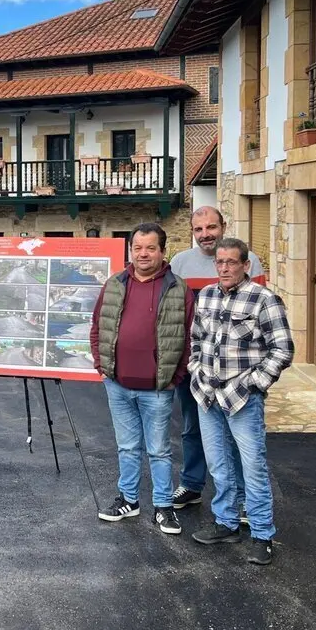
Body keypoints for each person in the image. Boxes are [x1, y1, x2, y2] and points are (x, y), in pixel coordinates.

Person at [188, 238, 294, 565]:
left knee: (253, 467)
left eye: (231, 262)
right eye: (220, 262)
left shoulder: (264, 299)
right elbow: (196, 340)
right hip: (207, 395)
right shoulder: (206, 296)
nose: (224, 268)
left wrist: (255, 384)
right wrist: (196, 369)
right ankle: (226, 522)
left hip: (242, 397)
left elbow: (282, 349)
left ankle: (262, 534)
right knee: (219, 464)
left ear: (245, 265)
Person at [90, 222, 192, 535]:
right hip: (118, 384)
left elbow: (189, 337)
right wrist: (102, 366)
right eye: (137, 247)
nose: (143, 254)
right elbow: (97, 326)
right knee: (127, 447)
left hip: (157, 388)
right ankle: (129, 500)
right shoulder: (115, 284)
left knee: (159, 450)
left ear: (162, 251)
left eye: (150, 248)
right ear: (130, 250)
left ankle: (163, 506)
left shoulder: (178, 289)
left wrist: (175, 376)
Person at [168, 206, 265, 512]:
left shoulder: (249, 260)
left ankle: (244, 498)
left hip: (237, 370)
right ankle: (192, 484)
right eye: (199, 229)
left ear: (224, 225)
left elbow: (261, 315)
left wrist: (256, 374)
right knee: (192, 427)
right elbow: (174, 313)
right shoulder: (179, 263)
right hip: (196, 365)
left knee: (239, 436)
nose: (205, 234)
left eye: (211, 227)